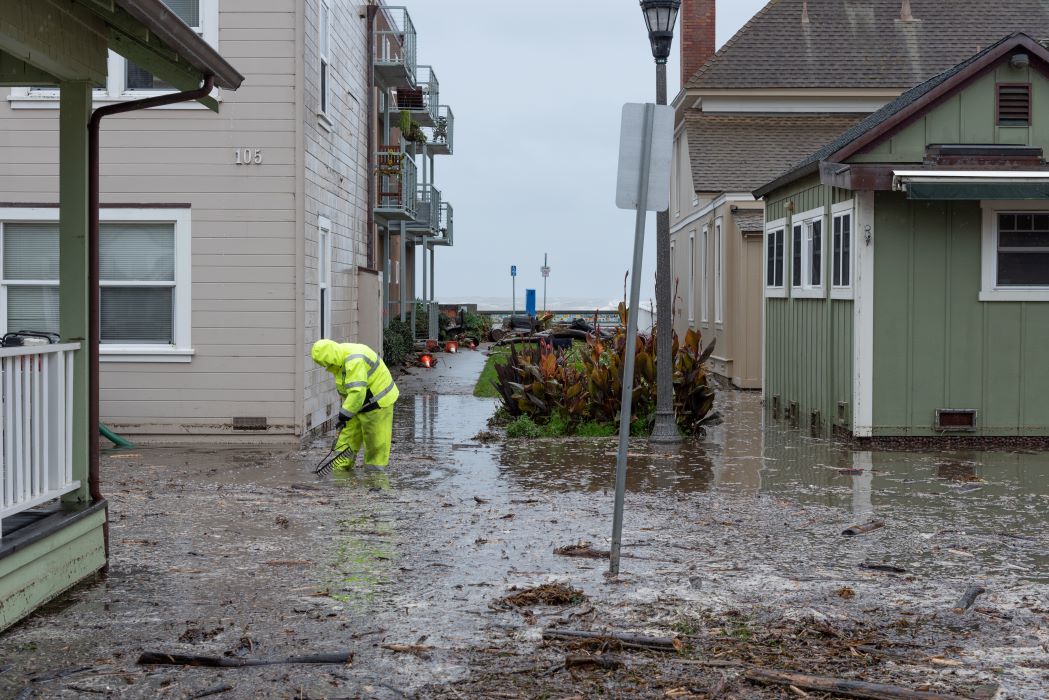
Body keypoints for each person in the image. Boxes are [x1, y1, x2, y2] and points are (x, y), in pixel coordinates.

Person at [311, 339, 399, 471]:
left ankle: (375, 479)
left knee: (375, 441)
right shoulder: (338, 360)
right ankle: (340, 471)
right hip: (356, 404)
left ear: (331, 357)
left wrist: (344, 414)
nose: (326, 367)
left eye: (327, 364)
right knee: (346, 437)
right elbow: (350, 391)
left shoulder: (354, 360)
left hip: (378, 401)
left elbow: (357, 392)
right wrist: (346, 412)